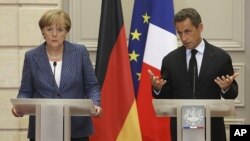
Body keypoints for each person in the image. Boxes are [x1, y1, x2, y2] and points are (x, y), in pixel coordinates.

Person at [148, 8, 238, 141]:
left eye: (188, 31)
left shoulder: (220, 57)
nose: (183, 38)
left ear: (200, 27)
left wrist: (226, 88)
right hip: (181, 131)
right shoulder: (170, 60)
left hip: (212, 130)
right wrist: (158, 88)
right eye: (179, 33)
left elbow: (232, 94)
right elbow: (166, 96)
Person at [11, 9, 102, 141]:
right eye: (49, 29)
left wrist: (95, 104)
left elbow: (91, 86)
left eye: (59, 30)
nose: (54, 34)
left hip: (76, 129)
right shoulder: (31, 57)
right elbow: (25, 91)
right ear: (43, 31)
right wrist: (18, 107)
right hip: (42, 128)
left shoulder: (80, 52)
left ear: (66, 32)